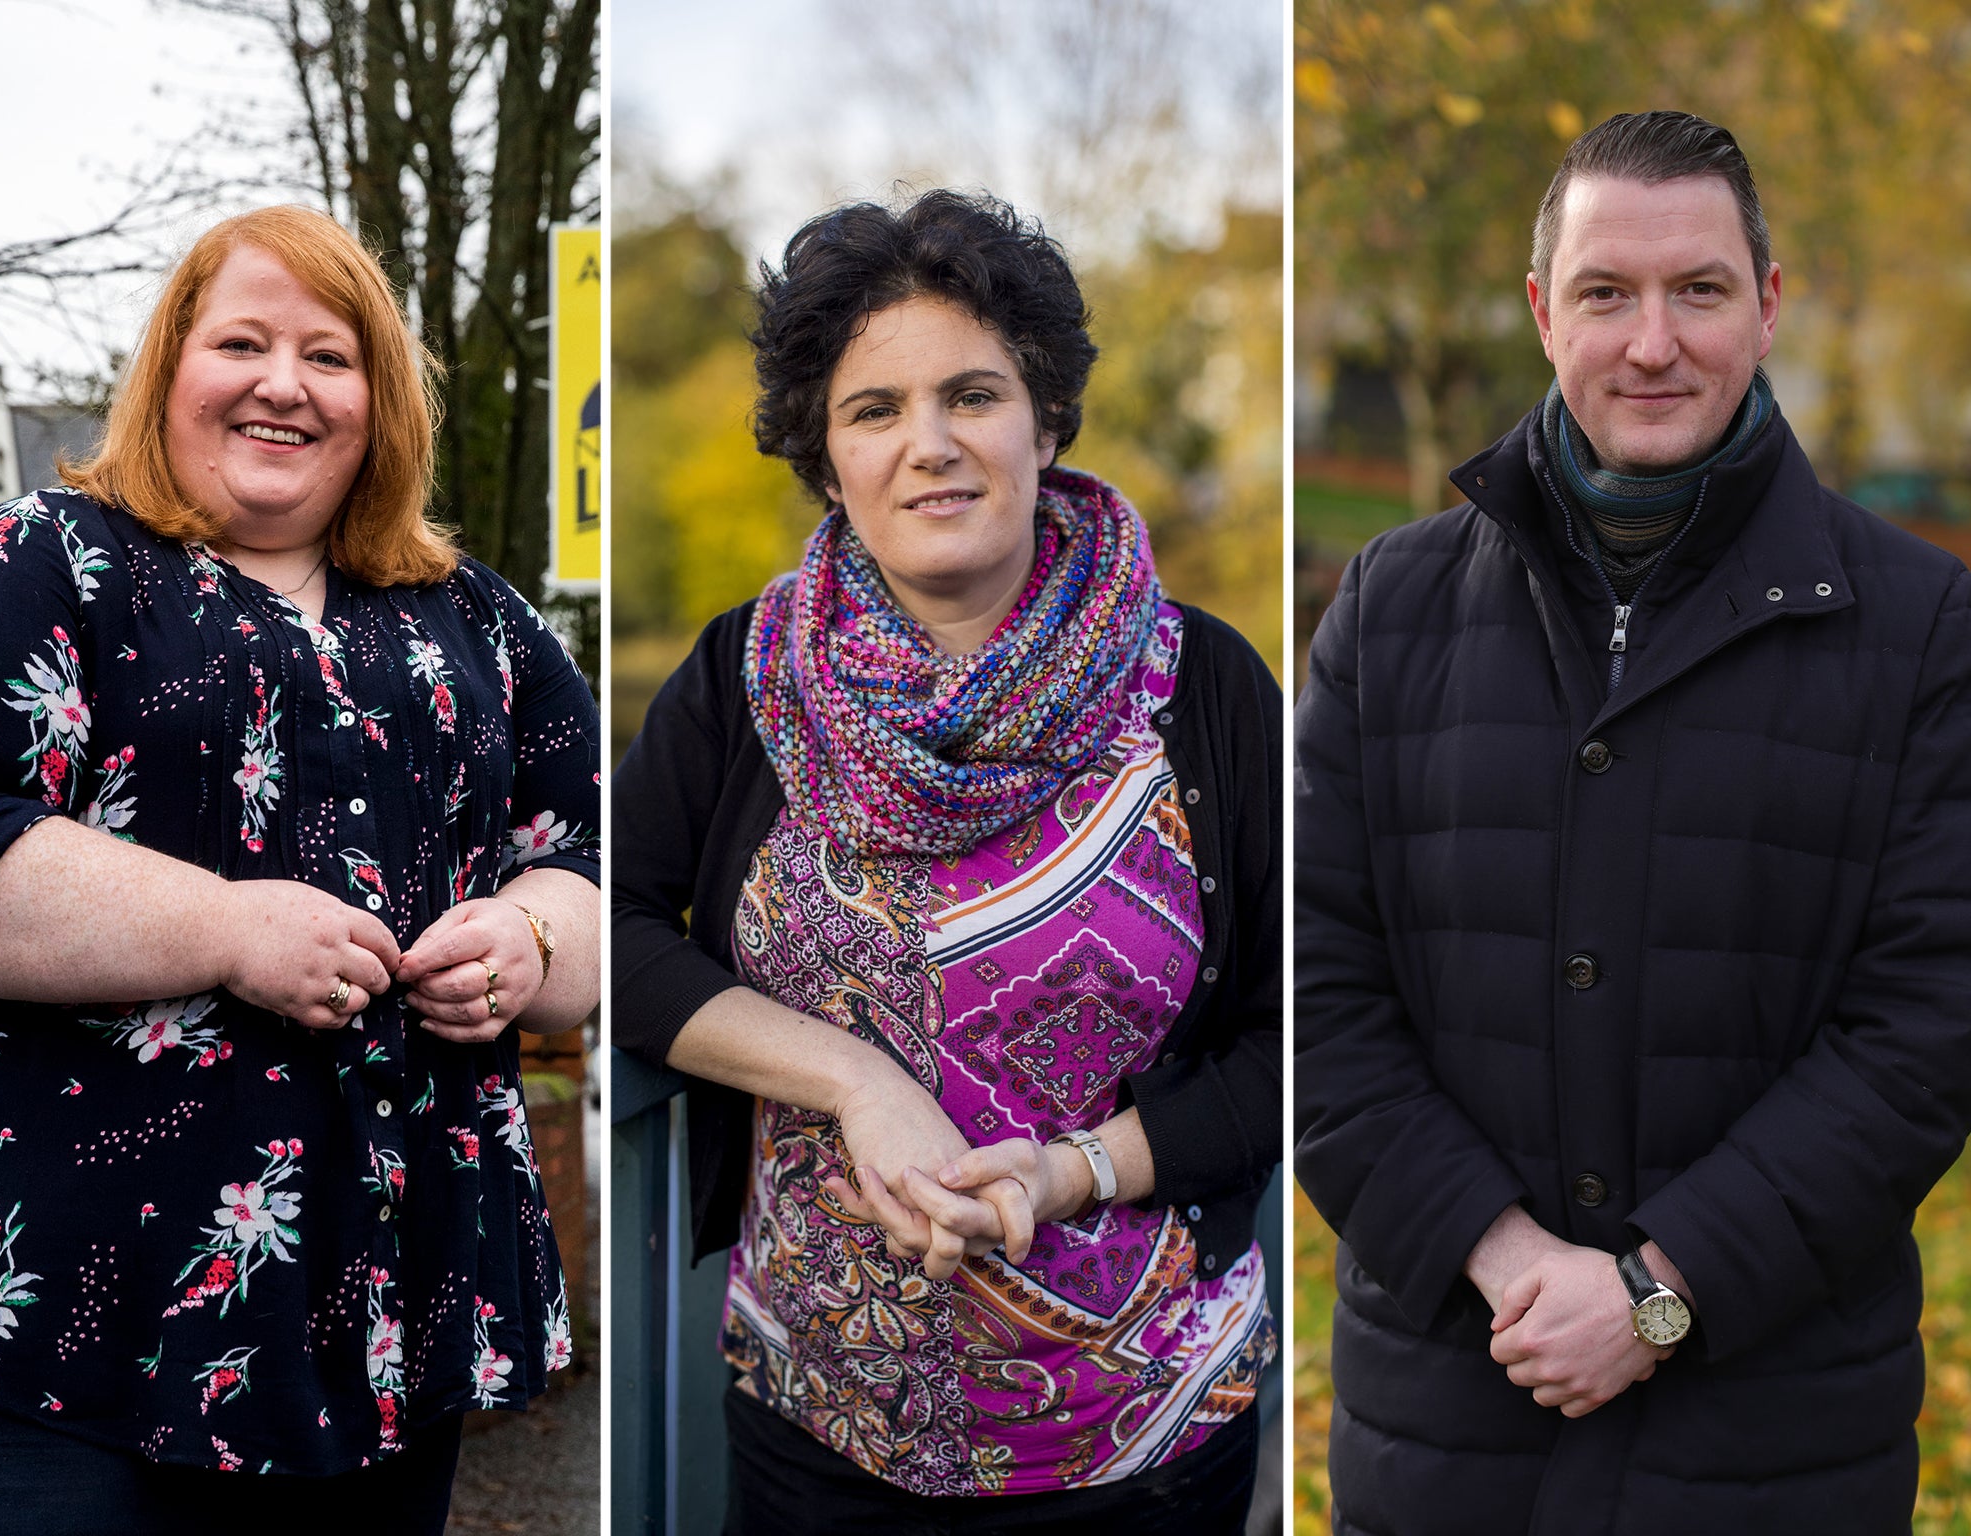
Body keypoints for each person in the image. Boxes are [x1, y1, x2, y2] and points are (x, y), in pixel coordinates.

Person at [1296, 109, 1971, 1532]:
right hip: (1447, 1423)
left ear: (1768, 307)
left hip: (1776, 1445)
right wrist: (1502, 1258)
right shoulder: (1389, 604)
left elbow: (1926, 1028)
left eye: (1700, 291)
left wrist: (1660, 1300)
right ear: (1545, 312)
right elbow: (1311, 987)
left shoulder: (1922, 628)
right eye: (1607, 293)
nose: (1652, 343)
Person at [0, 205, 600, 1534]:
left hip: (389, 1326)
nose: (284, 382)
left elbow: (581, 857)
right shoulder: (40, 564)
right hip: (61, 1335)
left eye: (330, 356)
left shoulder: (475, 617)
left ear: (383, 401)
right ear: (173, 368)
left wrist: (529, 945)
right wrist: (227, 931)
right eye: (242, 341)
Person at [612, 189, 1281, 1529]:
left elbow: (1299, 1028)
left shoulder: (1203, 685)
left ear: (1045, 419)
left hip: (1142, 1434)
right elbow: (617, 930)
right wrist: (853, 1079)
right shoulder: (742, 678)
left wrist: (1076, 1169)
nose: (931, 446)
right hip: (816, 1428)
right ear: (826, 453)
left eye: (973, 394)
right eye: (875, 411)